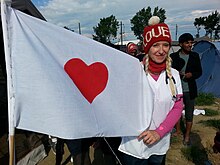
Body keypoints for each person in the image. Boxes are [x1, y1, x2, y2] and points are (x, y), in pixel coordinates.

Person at [118, 16, 184, 165]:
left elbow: (178, 107)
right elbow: (120, 104)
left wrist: (159, 132)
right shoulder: (133, 71)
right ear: (147, 47)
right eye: (155, 45)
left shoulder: (173, 74)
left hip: (159, 145)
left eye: (165, 45)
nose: (161, 51)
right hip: (133, 145)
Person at [170, 33, 202, 146]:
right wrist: (176, 73)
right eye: (187, 42)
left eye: (191, 42)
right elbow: (169, 70)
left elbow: (199, 72)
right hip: (177, 89)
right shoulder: (173, 57)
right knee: (176, 111)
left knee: (189, 112)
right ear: (181, 44)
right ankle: (178, 131)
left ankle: (187, 135)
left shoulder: (195, 56)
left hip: (190, 89)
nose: (189, 45)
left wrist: (191, 75)